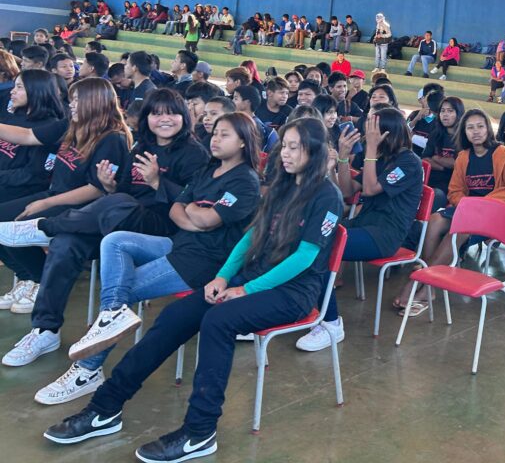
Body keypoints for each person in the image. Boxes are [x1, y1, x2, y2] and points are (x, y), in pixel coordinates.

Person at [41, 116, 341, 460]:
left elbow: (305, 257)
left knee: (218, 321)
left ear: (314, 152)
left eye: (294, 148)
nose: (285, 154)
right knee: (174, 316)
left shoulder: (326, 195)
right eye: (284, 146)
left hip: (293, 292)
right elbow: (250, 237)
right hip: (252, 278)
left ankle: (200, 432)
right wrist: (224, 277)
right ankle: (104, 408)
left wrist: (247, 289)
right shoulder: (282, 186)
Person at [4, 91, 208, 390]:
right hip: (120, 218)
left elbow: (195, 204)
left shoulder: (195, 154)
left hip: (160, 228)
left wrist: (157, 182)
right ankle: (45, 330)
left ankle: (45, 227)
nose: (164, 119)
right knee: (66, 245)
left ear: (184, 116)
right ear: (147, 118)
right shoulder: (141, 145)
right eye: (156, 113)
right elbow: (122, 188)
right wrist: (111, 185)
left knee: (119, 203)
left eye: (172, 113)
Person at [59, 113, 261, 372]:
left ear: (243, 141)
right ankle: (104, 331)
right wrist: (192, 217)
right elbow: (176, 208)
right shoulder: (207, 170)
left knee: (121, 292)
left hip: (202, 261)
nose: (215, 139)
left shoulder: (245, 181)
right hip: (179, 244)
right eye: (215, 133)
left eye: (225, 134)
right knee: (115, 241)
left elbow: (210, 219)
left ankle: (86, 370)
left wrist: (194, 213)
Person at [0, 78, 132, 316]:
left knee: (18, 224)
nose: (71, 105)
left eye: (77, 100)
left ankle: (41, 280)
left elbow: (96, 189)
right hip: (55, 195)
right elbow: (28, 136)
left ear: (95, 102)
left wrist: (45, 202)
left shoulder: (112, 139)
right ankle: (28, 277)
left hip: (81, 209)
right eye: (71, 100)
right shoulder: (71, 124)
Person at [296, 108, 424, 351]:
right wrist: (341, 160)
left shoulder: (409, 161)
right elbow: (345, 191)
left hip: (385, 235)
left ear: (389, 133)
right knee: (306, 233)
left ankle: (331, 323)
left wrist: (372, 150)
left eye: (372, 132)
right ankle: (305, 306)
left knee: (326, 245)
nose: (367, 137)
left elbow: (370, 189)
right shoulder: (382, 159)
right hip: (364, 224)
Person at [393, 109, 505, 313]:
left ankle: (420, 282)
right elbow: (455, 190)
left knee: (458, 231)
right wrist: (466, 205)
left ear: (488, 130)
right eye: (470, 127)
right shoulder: (463, 156)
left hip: (495, 214)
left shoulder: (503, 153)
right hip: (469, 210)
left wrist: (484, 204)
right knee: (435, 220)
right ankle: (428, 285)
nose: (476, 131)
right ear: (464, 132)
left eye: (480, 126)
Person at [0, 71, 67, 204]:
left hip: (16, 191)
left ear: (36, 90)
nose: (12, 92)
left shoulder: (50, 128)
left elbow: (34, 175)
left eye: (19, 87)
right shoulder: (14, 115)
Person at [422, 96, 465, 208]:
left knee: (437, 196)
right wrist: (445, 166)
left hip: (450, 185)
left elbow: (458, 164)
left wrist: (436, 158)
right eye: (442, 111)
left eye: (450, 111)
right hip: (430, 179)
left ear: (459, 113)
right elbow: (425, 159)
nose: (445, 114)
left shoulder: (464, 138)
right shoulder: (435, 134)